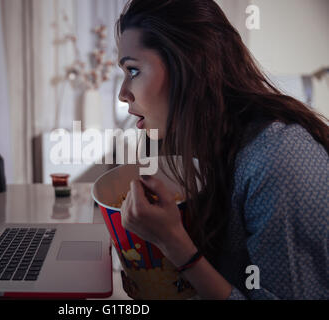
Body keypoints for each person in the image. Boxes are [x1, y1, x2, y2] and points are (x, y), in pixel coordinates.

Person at [116, 0, 328, 299]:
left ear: (187, 64)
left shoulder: (279, 158)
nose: (123, 94)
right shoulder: (187, 146)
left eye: (133, 71)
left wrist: (174, 244)